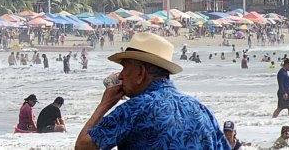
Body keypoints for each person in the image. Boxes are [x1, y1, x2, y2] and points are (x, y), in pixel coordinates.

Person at [75, 33, 229, 150]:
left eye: (125, 68)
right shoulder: (202, 111)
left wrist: (104, 105)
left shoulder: (135, 109)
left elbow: (82, 146)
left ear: (140, 73)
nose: (121, 75)